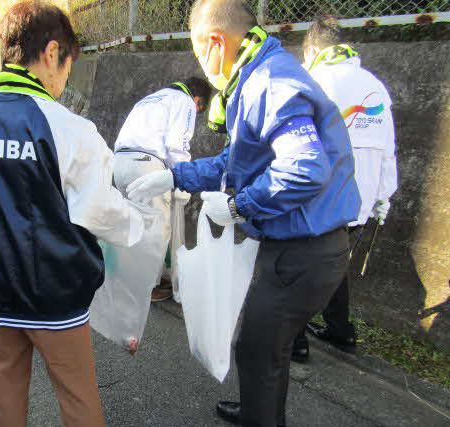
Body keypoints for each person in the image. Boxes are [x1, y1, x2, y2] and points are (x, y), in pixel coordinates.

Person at [126, 1, 361, 426]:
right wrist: (175, 177)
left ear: (215, 42)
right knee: (270, 347)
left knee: (257, 347)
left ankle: (261, 416)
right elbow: (235, 162)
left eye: (198, 52)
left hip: (303, 250)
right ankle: (260, 410)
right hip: (301, 246)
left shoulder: (269, 82)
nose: (202, 64)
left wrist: (238, 206)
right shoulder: (260, 74)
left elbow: (305, 168)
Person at [0, 2, 146, 426]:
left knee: (5, 395)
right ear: (53, 53)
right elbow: (99, 211)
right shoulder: (70, 128)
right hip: (54, 297)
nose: (64, 81)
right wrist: (141, 223)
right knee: (77, 399)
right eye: (68, 67)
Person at [291, 16, 398, 363]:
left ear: (310, 48)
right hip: (361, 201)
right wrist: (384, 196)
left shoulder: (314, 81)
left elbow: (300, 148)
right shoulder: (375, 86)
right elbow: (387, 149)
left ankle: (294, 340)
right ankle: (341, 330)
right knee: (336, 264)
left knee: (297, 269)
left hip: (321, 201)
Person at [113, 77, 212, 302]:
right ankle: (148, 287)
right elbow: (178, 145)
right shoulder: (184, 100)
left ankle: (126, 280)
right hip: (146, 165)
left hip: (120, 163)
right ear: (198, 100)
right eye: (199, 109)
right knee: (156, 230)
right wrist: (183, 178)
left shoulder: (150, 99)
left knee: (134, 225)